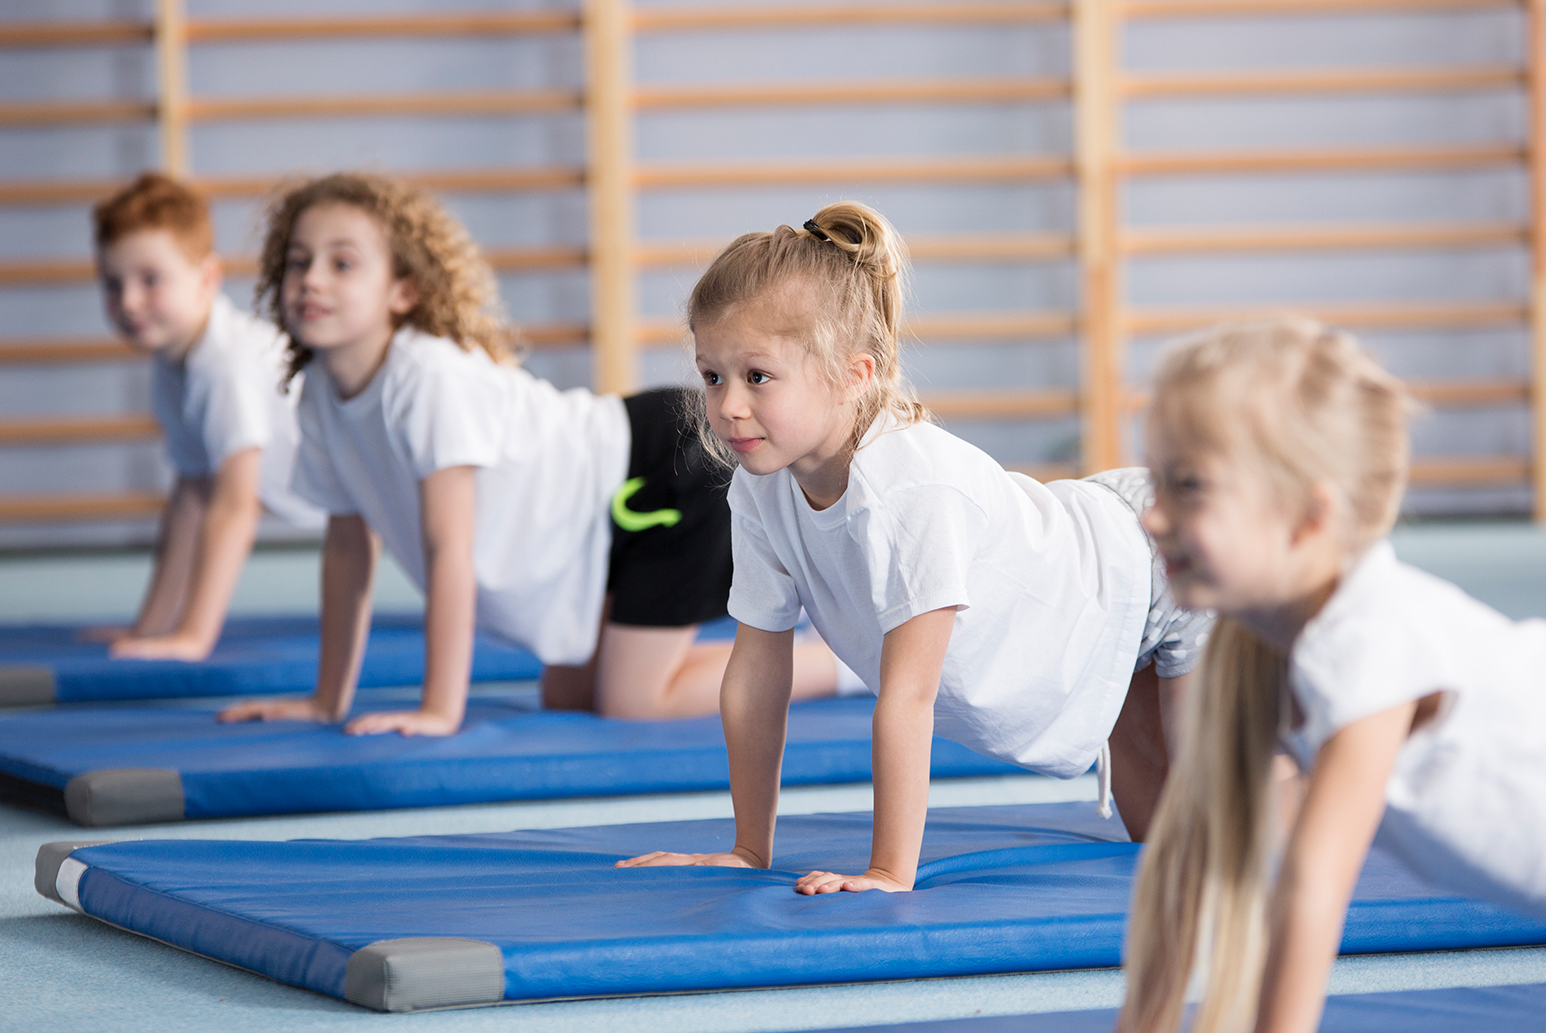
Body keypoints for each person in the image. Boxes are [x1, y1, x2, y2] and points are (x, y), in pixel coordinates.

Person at [954, 316, 1546, 1033]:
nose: (1151, 519)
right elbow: (1197, 858)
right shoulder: (1249, 644)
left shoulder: (1367, 641)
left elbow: (1313, 887)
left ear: (1307, 518)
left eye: (1188, 488)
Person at [617, 201, 1208, 895]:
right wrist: (750, 849)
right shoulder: (759, 490)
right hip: (1099, 603)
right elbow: (755, 674)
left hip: (1158, 561)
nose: (726, 407)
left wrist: (889, 871)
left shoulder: (906, 490)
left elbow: (909, 695)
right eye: (712, 375)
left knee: (1222, 825)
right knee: (1162, 850)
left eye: (758, 376)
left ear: (854, 374)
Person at [219, 172, 836, 737]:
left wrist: (439, 708)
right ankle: (796, 645)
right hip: (595, 526)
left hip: (661, 471)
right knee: (569, 697)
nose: (312, 279)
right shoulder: (320, 395)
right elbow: (350, 545)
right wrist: (327, 700)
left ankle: (838, 665)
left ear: (403, 290)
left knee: (634, 701)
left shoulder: (427, 377)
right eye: (298, 262)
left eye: (342, 263)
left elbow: (448, 551)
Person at [89, 171, 321, 661]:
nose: (129, 302)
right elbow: (192, 495)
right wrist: (151, 627)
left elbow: (236, 506)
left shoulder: (224, 368)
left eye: (150, 280)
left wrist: (193, 636)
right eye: (113, 283)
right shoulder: (172, 364)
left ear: (207, 279)